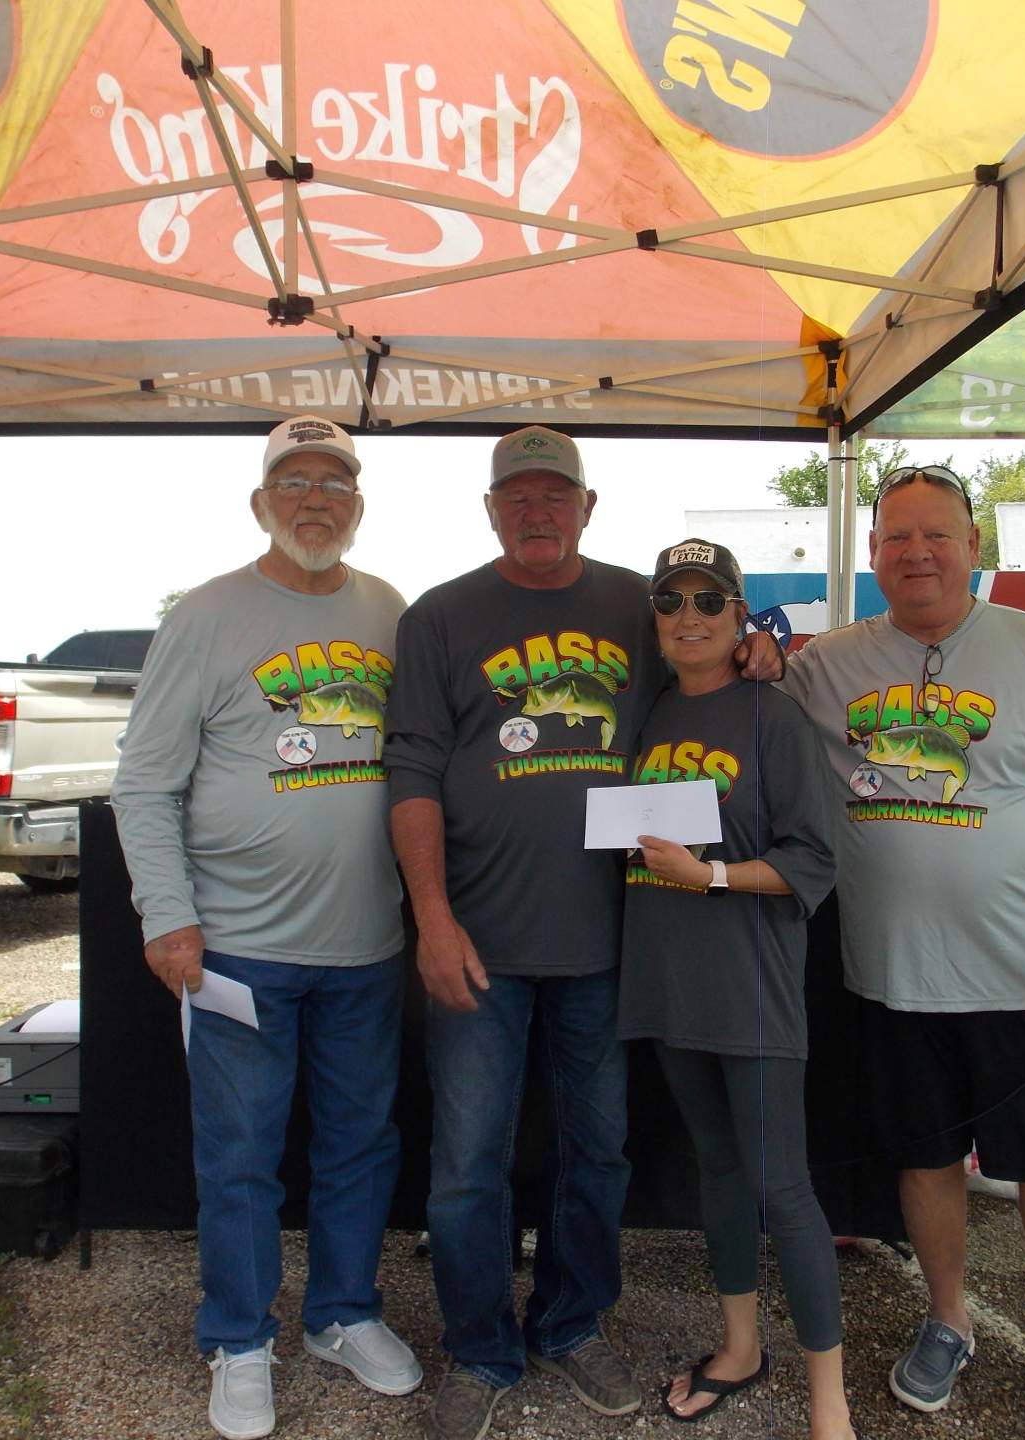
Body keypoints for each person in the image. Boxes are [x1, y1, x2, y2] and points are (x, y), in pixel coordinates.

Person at [384, 428, 784, 1440]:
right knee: (468, 1161)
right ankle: (479, 1349)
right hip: (476, 937)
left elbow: (718, 650)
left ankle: (568, 1323)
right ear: (489, 509)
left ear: (589, 505)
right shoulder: (440, 615)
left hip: (612, 939)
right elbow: (413, 774)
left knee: (596, 1151)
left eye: (554, 494)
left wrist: (764, 642)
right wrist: (430, 918)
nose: (536, 511)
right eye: (516, 495)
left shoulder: (636, 606)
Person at [781, 464, 1025, 1440]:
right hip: (891, 975)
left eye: (937, 535)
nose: (916, 554)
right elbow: (758, 720)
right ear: (872, 556)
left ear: (975, 549)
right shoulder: (829, 664)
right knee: (925, 1161)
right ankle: (949, 1319)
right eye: (897, 539)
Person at [113, 415, 422, 1440]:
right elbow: (144, 784)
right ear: (261, 505)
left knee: (358, 1145)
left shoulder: (388, 610)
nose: (315, 500)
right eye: (294, 482)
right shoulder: (205, 616)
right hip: (238, 946)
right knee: (240, 1154)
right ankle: (239, 1341)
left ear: (360, 508)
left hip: (368, 948)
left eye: (336, 482)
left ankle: (341, 1315)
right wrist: (169, 915)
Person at [616, 540, 853, 1438]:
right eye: (671, 601)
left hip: (750, 984)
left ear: (741, 615)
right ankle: (741, 1347)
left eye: (709, 602)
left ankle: (829, 1398)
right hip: (666, 984)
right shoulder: (647, 709)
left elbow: (810, 861)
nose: (689, 618)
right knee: (718, 1170)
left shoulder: (773, 716)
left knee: (780, 1186)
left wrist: (708, 877)